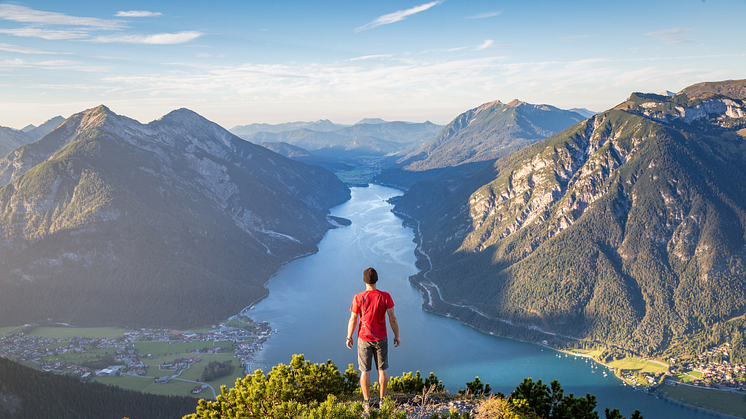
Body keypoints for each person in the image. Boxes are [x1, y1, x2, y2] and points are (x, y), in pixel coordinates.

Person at [346, 267, 400, 408]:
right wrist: (397, 335)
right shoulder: (385, 296)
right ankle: (382, 401)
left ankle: (366, 403)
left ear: (364, 280)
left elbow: (353, 320)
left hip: (364, 339)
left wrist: (349, 336)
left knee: (365, 371)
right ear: (376, 279)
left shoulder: (358, 297)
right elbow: (392, 318)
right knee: (382, 370)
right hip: (381, 338)